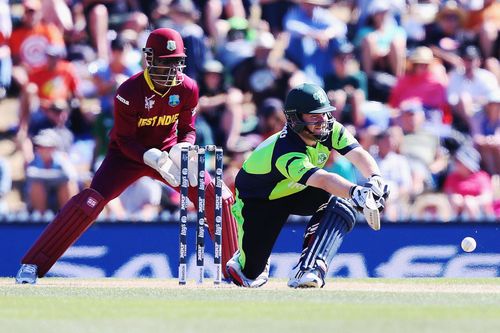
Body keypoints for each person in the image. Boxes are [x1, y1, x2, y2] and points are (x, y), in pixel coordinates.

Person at [15, 28, 239, 284]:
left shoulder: (188, 87)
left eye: (176, 62)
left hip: (169, 155)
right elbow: (123, 139)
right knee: (88, 203)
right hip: (126, 157)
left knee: (215, 196)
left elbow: (188, 129)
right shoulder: (129, 91)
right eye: (165, 63)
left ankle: (234, 269)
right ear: (150, 58)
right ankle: (33, 265)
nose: (171, 70)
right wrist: (150, 158)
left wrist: (184, 147)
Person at [225, 83, 389, 288]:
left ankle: (310, 268)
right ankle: (244, 257)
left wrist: (376, 179)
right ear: (295, 118)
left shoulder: (330, 128)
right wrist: (356, 192)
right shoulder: (286, 150)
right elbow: (323, 180)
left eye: (325, 114)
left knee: (341, 203)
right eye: (314, 116)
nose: (323, 121)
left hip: (296, 190)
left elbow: (357, 153)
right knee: (249, 275)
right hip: (259, 201)